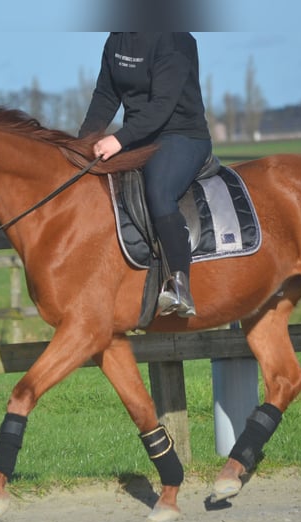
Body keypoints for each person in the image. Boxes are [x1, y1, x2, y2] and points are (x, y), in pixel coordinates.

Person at [79, 32, 213, 318]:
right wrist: (82, 144)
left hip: (180, 135)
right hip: (138, 138)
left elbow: (162, 105)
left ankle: (179, 285)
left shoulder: (174, 39)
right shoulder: (116, 39)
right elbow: (105, 96)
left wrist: (118, 140)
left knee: (159, 192)